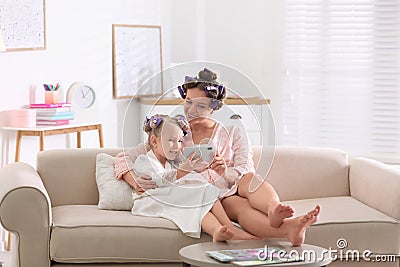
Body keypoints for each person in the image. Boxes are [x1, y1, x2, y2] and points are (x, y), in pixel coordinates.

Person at [115, 68, 320, 246]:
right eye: (188, 103)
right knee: (239, 208)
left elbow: (244, 170)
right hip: (214, 198)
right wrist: (135, 182)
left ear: (214, 107)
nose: (191, 111)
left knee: (250, 180)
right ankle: (288, 230)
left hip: (235, 187)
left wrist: (224, 170)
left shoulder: (233, 133)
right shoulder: (174, 134)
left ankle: (274, 209)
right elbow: (123, 158)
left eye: (201, 106)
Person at [130, 114, 257, 241]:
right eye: (171, 140)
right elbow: (160, 179)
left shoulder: (171, 163)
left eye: (179, 141)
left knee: (202, 193)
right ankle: (227, 229)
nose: (177, 146)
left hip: (170, 196)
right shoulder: (144, 160)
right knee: (196, 194)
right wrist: (182, 172)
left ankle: (220, 229)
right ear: (154, 141)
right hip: (152, 201)